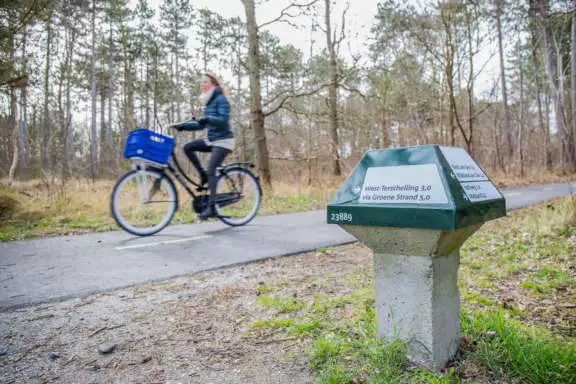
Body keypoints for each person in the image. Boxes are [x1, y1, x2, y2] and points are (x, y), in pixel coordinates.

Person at [170, 73, 234, 220]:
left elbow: (223, 120)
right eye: (201, 82)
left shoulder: (221, 99)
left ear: (213, 84)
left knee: (212, 168)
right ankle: (203, 175)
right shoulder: (208, 102)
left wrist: (208, 119)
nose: (202, 85)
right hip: (211, 139)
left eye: (205, 82)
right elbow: (201, 124)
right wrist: (183, 126)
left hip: (224, 141)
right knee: (188, 147)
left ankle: (212, 208)